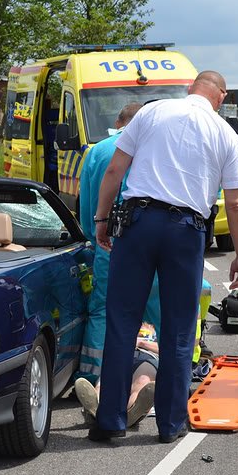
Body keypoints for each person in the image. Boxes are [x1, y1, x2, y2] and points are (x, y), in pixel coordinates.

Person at [89, 70, 238, 444]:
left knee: (122, 323)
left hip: (137, 223)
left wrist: (101, 218)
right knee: (179, 330)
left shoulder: (152, 111)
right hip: (185, 231)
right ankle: (171, 424)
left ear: (189, 88)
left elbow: (115, 169)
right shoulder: (225, 133)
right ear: (220, 97)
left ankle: (110, 420)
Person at [77, 103, 161, 384]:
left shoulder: (98, 151)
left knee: (104, 310)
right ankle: (164, 375)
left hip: (110, 242)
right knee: (158, 310)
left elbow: (88, 201)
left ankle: (94, 375)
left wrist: (95, 234)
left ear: (118, 121)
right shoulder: (154, 147)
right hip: (154, 240)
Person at [74, 323, 158, 428]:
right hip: (121, 354)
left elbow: (169, 349)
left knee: (143, 380)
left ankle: (131, 413)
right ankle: (94, 410)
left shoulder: (159, 324)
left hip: (147, 356)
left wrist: (141, 343)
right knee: (106, 383)